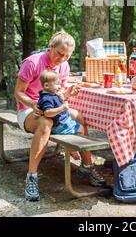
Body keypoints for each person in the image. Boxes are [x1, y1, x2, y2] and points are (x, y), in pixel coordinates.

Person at [14, 31, 105, 202]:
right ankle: (32, 176)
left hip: (53, 108)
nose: (62, 59)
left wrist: (67, 94)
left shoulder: (64, 66)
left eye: (67, 56)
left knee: (79, 116)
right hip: (28, 110)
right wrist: (34, 105)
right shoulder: (32, 62)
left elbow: (58, 94)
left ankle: (87, 165)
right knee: (45, 122)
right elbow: (18, 92)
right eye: (59, 54)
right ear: (51, 47)